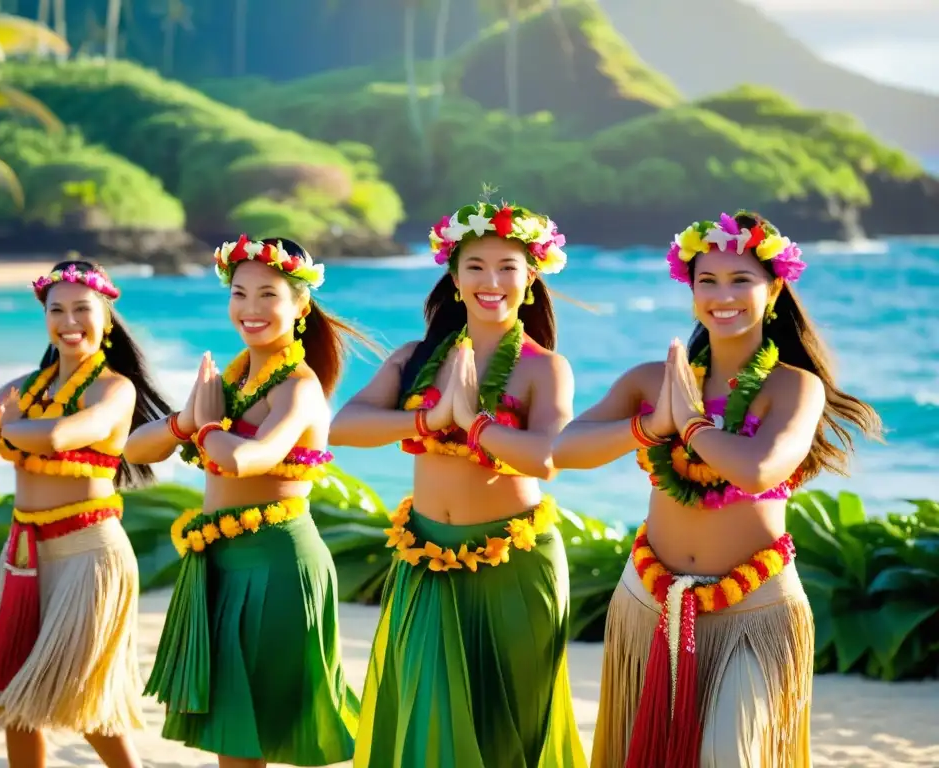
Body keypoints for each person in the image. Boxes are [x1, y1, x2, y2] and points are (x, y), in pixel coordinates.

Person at [553, 211, 883, 768]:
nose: (721, 295)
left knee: (729, 756)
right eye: (707, 281)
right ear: (690, 288)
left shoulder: (795, 388)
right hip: (648, 598)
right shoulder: (651, 380)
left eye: (741, 280)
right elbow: (563, 449)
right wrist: (650, 425)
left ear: (774, 288)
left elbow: (758, 471)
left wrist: (692, 425)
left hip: (754, 606)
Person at [331, 200, 586, 768]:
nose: (490, 281)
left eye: (506, 268)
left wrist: (476, 425)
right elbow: (344, 426)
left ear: (531, 278)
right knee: (425, 720)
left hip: (513, 563)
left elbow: (548, 457)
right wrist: (428, 419)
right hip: (424, 558)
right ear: (452, 276)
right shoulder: (415, 358)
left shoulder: (545, 368)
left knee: (507, 727)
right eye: (474, 266)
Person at [125, 236, 360, 768]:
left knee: (259, 732)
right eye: (239, 294)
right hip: (222, 562)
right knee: (232, 734)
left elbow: (252, 457)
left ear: (300, 305)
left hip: (276, 563)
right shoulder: (231, 380)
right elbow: (134, 448)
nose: (250, 309)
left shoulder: (298, 388)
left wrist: (203, 427)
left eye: (267, 295)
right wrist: (185, 422)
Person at [0, 260, 170, 768]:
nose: (69, 321)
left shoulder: (114, 389)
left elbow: (61, 436)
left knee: (85, 703)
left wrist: (3, 429)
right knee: (17, 703)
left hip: (89, 555)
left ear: (106, 317)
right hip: (24, 556)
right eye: (56, 309)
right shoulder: (26, 387)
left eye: (82, 309)